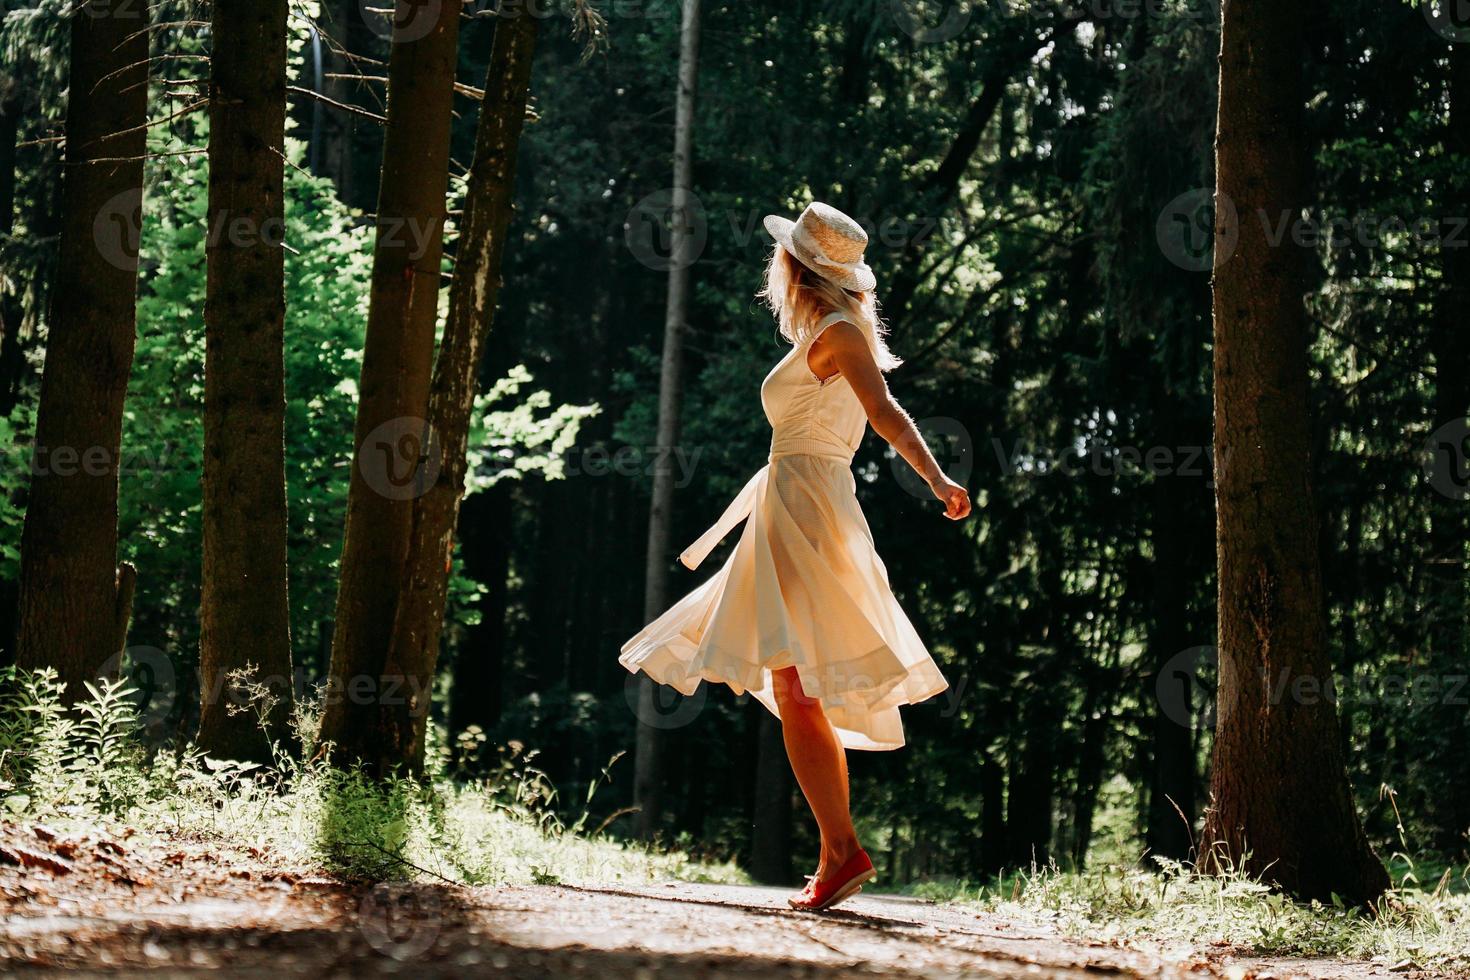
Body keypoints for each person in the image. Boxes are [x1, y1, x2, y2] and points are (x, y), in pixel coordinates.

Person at [620, 201, 971, 911]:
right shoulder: (825, 334)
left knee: (795, 683)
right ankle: (839, 850)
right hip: (793, 501)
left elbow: (886, 414)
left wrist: (936, 477)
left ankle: (841, 850)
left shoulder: (840, 334)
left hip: (808, 506)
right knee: (792, 683)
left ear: (795, 266)